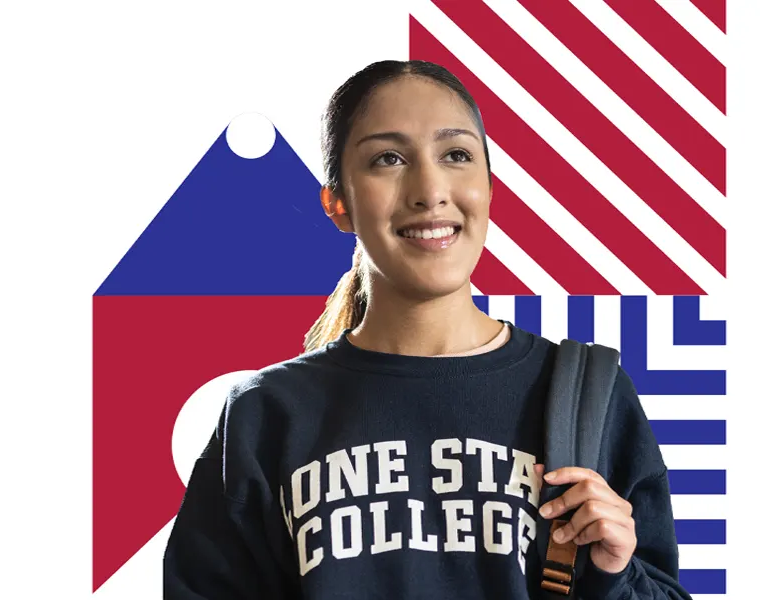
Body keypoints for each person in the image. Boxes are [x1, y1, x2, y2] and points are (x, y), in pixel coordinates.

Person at [164, 59, 692, 600]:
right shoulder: (266, 413)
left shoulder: (588, 396)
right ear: (337, 203)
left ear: (488, 186)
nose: (429, 189)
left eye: (456, 155)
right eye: (388, 158)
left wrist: (613, 575)